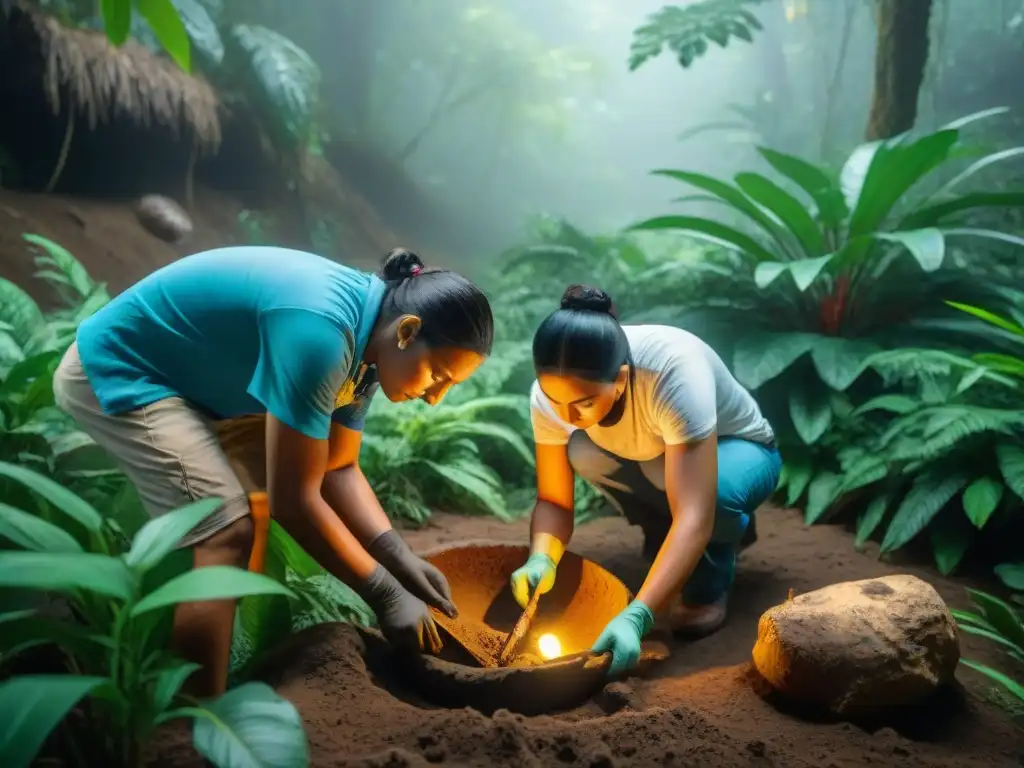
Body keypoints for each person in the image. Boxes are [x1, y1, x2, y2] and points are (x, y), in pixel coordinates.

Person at [53, 245, 493, 696]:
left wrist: (398, 556)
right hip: (121, 368)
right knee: (224, 534)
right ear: (408, 331)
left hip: (197, 389)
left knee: (246, 512)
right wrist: (385, 592)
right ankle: (196, 719)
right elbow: (296, 501)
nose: (436, 396)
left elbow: (338, 469)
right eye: (438, 376)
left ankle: (213, 650)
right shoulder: (321, 334)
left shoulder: (367, 348)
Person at [510, 285, 780, 676]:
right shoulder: (552, 392)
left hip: (742, 450)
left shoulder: (672, 373)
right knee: (582, 451)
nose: (567, 415)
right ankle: (662, 534)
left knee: (712, 500)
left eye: (583, 403)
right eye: (556, 402)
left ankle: (714, 571)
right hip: (660, 456)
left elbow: (694, 515)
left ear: (620, 380)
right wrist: (541, 555)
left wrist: (638, 616)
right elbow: (554, 501)